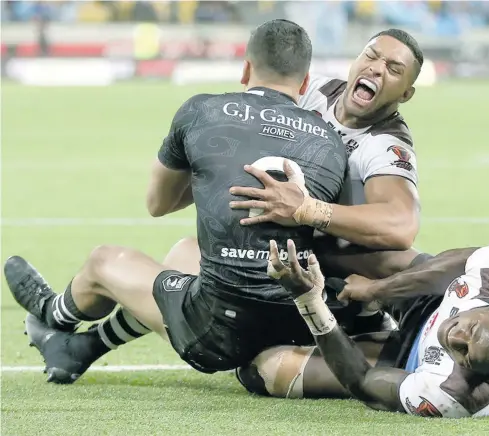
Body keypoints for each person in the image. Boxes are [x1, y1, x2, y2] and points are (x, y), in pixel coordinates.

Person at [4, 19, 354, 384]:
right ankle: (81, 349)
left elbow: (158, 203)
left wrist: (215, 172)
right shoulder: (330, 140)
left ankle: (51, 316)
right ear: (304, 80)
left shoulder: (202, 111)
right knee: (185, 254)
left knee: (104, 261)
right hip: (298, 324)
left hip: (219, 332)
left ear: (246, 68)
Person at [167, 28, 430, 332]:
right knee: (184, 254)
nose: (377, 68)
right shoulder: (311, 91)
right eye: (371, 56)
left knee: (408, 263)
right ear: (356, 60)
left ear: (405, 94)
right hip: (268, 240)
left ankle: (395, 323)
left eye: (393, 69)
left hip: (331, 255)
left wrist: (306, 210)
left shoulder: (385, 143)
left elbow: (401, 224)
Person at [237, 240, 489, 418]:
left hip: (412, 361)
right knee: (329, 246)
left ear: (479, 374)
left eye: (464, 354)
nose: (455, 337)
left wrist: (308, 301)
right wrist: (376, 290)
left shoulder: (447, 396)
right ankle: (366, 307)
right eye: (473, 329)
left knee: (264, 371)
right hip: (431, 300)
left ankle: (358, 321)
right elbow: (449, 263)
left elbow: (363, 381)